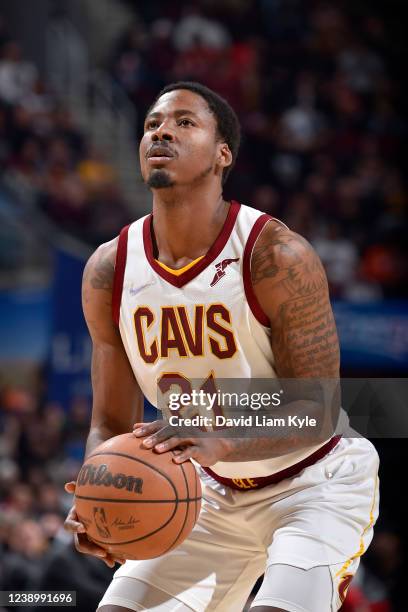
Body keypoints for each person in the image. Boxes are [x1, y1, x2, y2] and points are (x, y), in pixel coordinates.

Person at [64, 81, 379, 612]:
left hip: (312, 483)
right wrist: (100, 492)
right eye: (152, 124)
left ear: (222, 154)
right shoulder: (110, 270)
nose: (161, 130)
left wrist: (225, 440)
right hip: (202, 491)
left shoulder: (276, 255)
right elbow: (112, 423)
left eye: (184, 123)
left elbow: (320, 408)